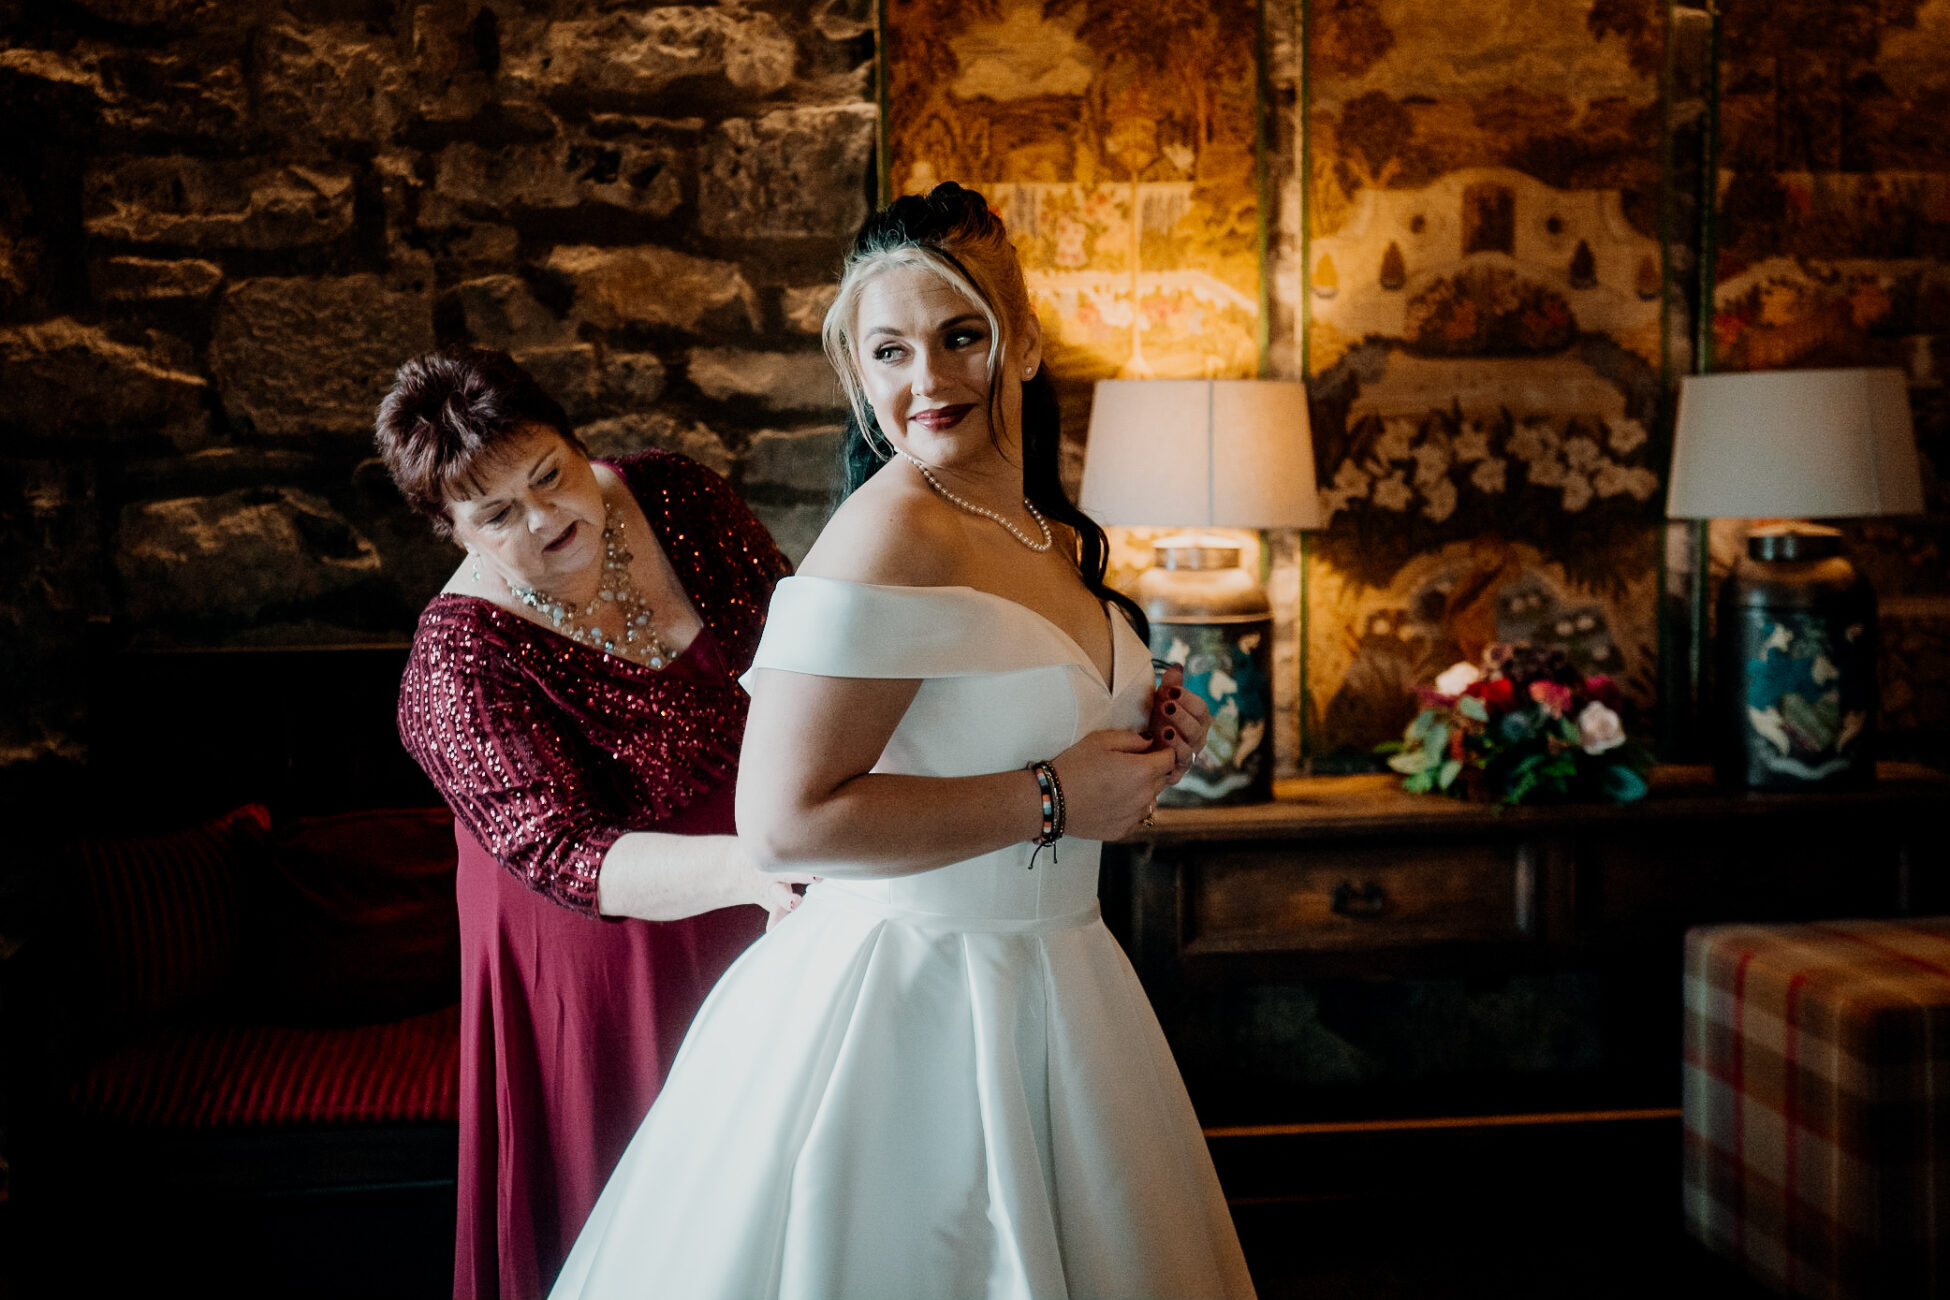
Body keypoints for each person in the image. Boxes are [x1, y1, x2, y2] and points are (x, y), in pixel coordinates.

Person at [549, 185, 1256, 1298]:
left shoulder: (1047, 530)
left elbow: (1042, 766)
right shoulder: (887, 532)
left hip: (1064, 986)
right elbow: (782, 824)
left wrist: (1144, 745)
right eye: (889, 350)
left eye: (959, 335)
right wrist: (1056, 796)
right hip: (912, 1012)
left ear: (1018, 339)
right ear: (857, 374)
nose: (925, 380)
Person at [376, 348, 804, 1300]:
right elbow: (564, 852)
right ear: (449, 529)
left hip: (778, 881)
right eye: (497, 515)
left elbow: (805, 647)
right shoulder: (454, 666)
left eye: (552, 475)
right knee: (657, 1222)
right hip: (610, 959)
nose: (547, 517)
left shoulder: (679, 499)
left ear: (579, 443)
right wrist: (759, 868)